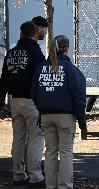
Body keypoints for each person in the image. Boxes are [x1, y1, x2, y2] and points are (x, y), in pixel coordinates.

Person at [31, 35, 86, 189]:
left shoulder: (41, 68)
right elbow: (79, 97)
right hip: (65, 116)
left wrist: (42, 109)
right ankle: (65, 186)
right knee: (66, 153)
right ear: (66, 49)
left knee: (50, 152)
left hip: (46, 116)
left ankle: (50, 185)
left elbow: (34, 93)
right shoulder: (71, 70)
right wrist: (82, 120)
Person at [0, 21, 46, 187]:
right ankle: (35, 176)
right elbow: (41, 78)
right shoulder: (35, 53)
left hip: (15, 102)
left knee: (18, 138)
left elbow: (3, 79)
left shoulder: (10, 53)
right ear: (35, 35)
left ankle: (18, 175)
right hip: (32, 101)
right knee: (36, 137)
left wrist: (1, 100)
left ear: (20, 34)